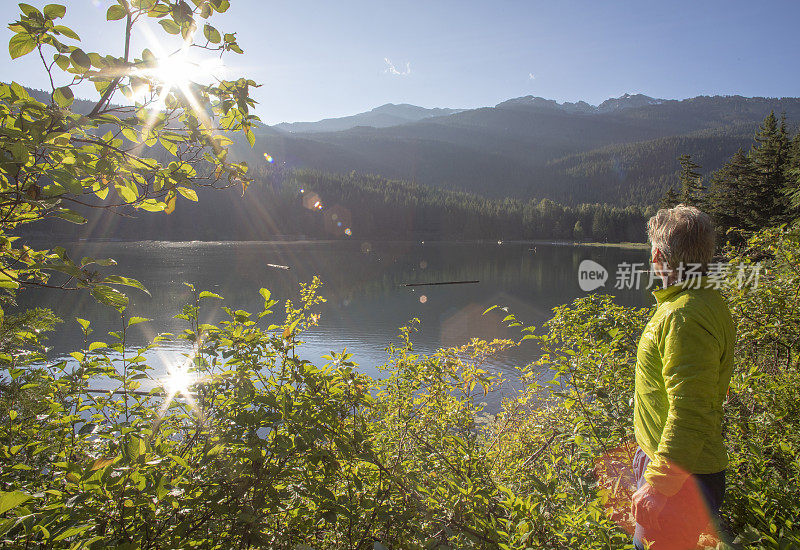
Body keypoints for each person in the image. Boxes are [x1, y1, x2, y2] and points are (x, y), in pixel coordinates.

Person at [630, 205, 736, 550]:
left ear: (659, 255)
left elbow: (690, 410)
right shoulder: (706, 302)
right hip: (681, 467)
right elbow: (702, 384)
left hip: (680, 478)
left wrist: (659, 485)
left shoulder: (683, 315)